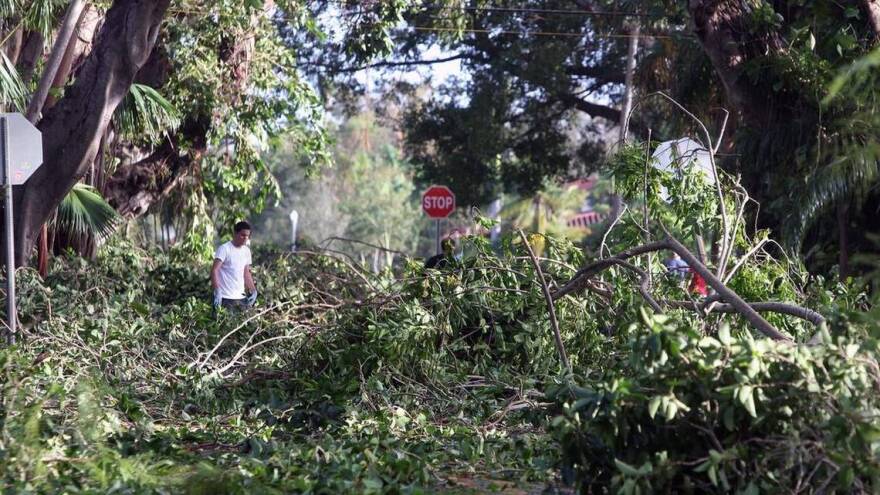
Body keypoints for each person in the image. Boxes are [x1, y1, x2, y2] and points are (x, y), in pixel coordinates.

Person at [211, 221, 257, 313]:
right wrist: (217, 291)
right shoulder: (224, 249)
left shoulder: (246, 251)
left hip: (241, 298)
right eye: (243, 235)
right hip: (225, 297)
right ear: (235, 233)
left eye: (247, 236)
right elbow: (214, 270)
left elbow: (246, 273)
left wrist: (253, 290)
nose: (245, 238)